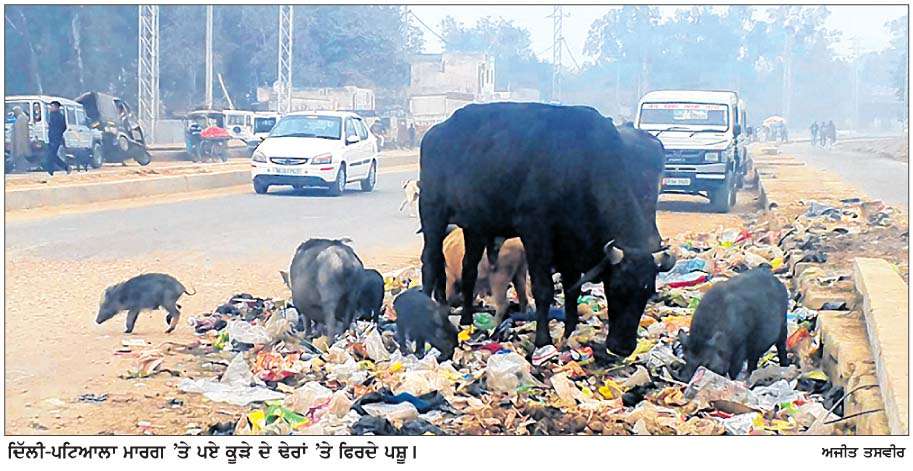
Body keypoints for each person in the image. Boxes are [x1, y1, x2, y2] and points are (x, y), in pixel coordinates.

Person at [45, 101, 70, 175]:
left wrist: (58, 134)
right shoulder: (51, 115)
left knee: (51, 155)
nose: (51, 108)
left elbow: (64, 127)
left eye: (52, 106)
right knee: (51, 155)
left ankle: (62, 168)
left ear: (56, 107)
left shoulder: (60, 116)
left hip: (56, 139)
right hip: (51, 138)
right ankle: (63, 168)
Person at [11, 106, 31, 171]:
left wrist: (18, 143)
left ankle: (21, 169)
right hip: (22, 140)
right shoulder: (22, 118)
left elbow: (19, 133)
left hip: (20, 141)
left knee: (21, 154)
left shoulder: (21, 118)